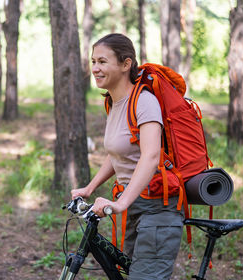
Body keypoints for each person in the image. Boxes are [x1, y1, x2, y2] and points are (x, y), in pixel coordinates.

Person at [71, 33, 184, 280]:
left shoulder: (144, 101)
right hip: (134, 206)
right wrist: (90, 188)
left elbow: (151, 155)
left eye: (102, 61)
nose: (95, 68)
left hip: (158, 208)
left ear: (126, 64)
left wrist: (121, 203)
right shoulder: (114, 103)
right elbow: (117, 154)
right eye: (93, 61)